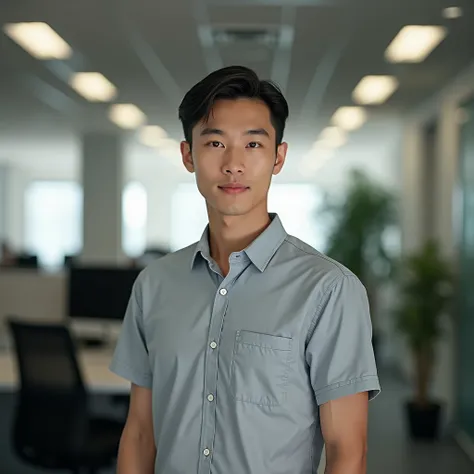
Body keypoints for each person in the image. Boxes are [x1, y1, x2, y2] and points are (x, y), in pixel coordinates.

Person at [110, 65, 381, 474]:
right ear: (188, 155)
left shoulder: (328, 290)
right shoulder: (154, 285)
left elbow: (347, 450)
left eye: (253, 145)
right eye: (215, 142)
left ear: (279, 157)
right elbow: (140, 432)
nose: (233, 164)